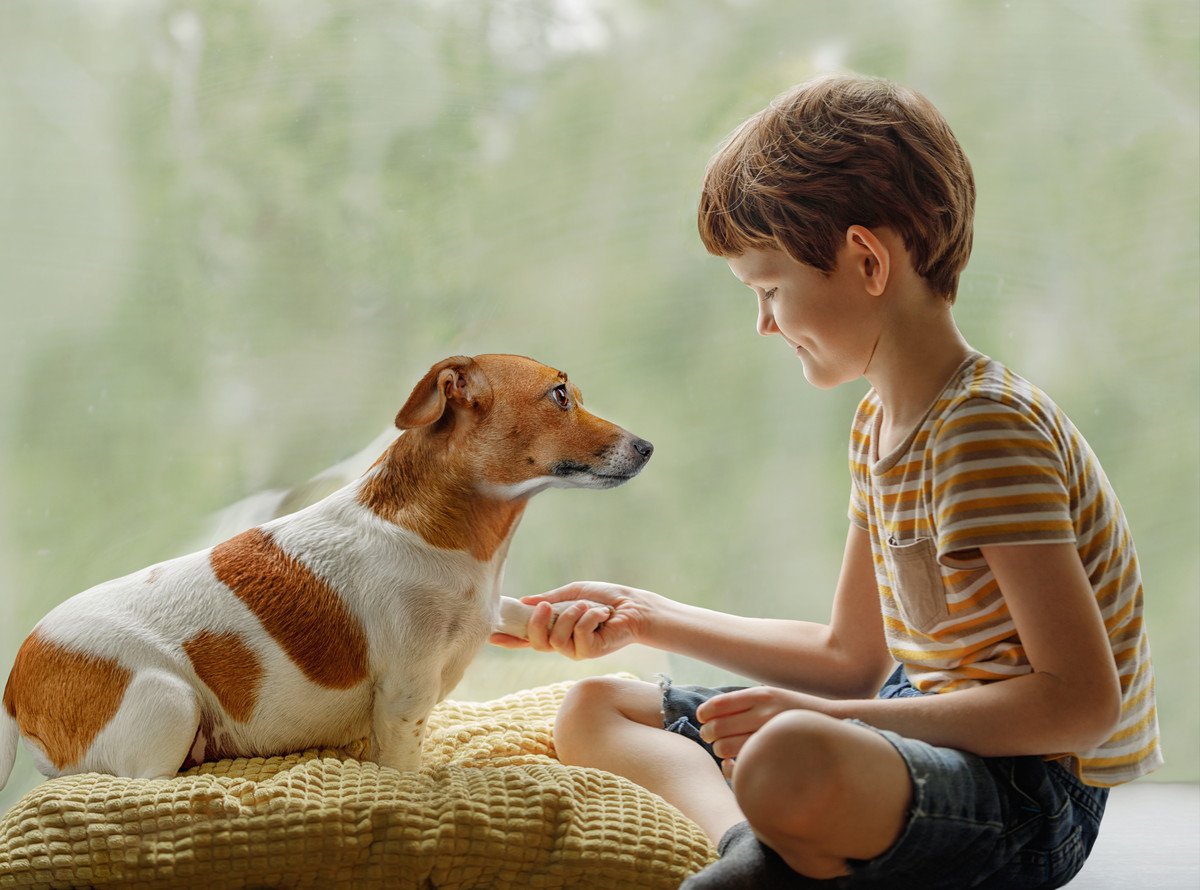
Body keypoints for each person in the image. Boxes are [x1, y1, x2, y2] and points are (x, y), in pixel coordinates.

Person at [490, 73, 1162, 889]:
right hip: (920, 719)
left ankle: (786, 832)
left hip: (1030, 792)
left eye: (770, 289)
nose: (765, 322)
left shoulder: (988, 432)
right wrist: (647, 616)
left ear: (867, 260)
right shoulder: (879, 426)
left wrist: (829, 720)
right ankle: (749, 847)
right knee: (595, 708)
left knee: (791, 752)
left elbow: (1080, 705)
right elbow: (850, 658)